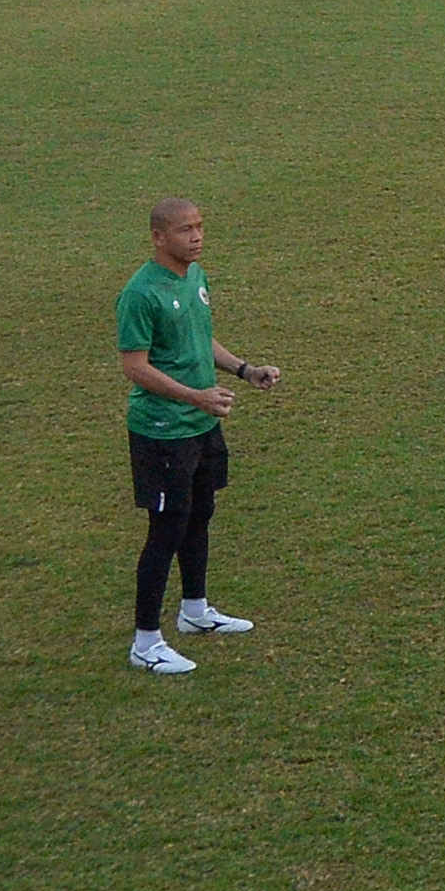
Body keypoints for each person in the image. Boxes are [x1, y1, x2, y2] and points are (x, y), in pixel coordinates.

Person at [116, 199, 277, 674]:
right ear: (158, 238)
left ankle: (195, 612)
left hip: (200, 425)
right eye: (186, 230)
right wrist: (195, 397)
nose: (197, 237)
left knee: (200, 515)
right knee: (165, 530)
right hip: (162, 431)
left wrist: (244, 369)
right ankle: (145, 642)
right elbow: (134, 366)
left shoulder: (195, 278)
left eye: (201, 228)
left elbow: (198, 337)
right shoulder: (140, 294)